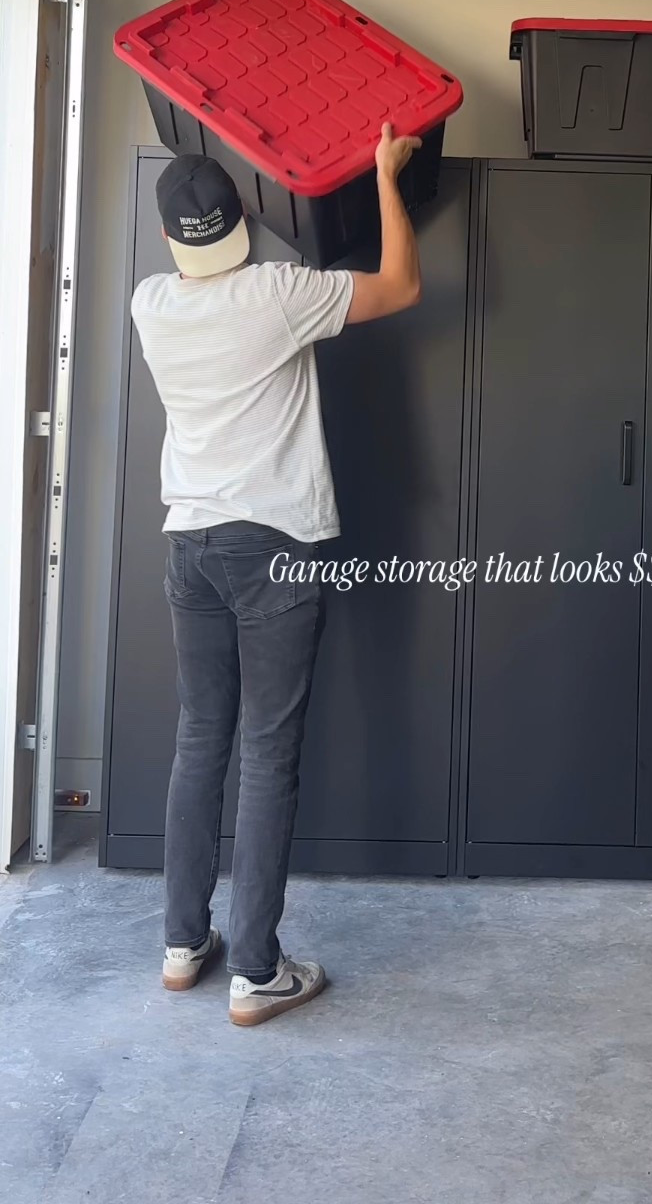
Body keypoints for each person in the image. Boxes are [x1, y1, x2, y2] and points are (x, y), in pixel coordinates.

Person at [130, 122, 422, 1026]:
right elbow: (402, 284)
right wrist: (382, 173)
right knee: (266, 756)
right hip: (276, 548)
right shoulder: (277, 294)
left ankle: (185, 945)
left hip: (191, 547)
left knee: (199, 743)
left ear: (176, 239)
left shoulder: (151, 303)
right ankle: (256, 972)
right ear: (241, 228)